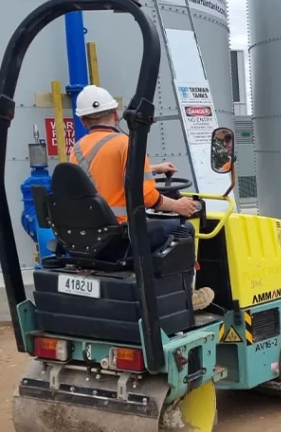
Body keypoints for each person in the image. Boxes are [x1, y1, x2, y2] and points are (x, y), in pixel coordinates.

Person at [70, 85, 213, 310]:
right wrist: (178, 206)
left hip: (92, 237)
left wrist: (153, 168)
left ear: (84, 121)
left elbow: (105, 173)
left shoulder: (77, 149)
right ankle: (187, 297)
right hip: (121, 236)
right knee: (184, 230)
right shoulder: (127, 144)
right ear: (116, 114)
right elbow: (146, 195)